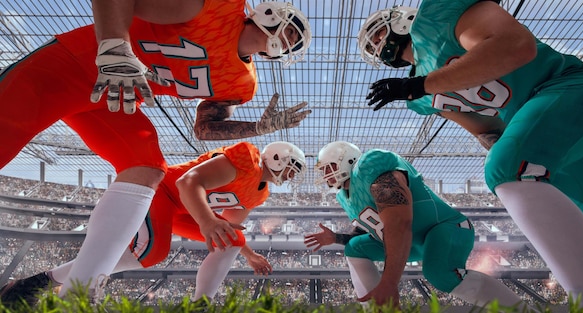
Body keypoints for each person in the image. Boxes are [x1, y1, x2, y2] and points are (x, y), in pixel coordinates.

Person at [0, 0, 312, 297]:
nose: (288, 42)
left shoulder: (241, 83)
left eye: (294, 43)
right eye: (291, 32)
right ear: (272, 13)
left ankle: (78, 293)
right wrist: (115, 48)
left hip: (116, 98)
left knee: (146, 167)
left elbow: (203, 128)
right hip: (75, 64)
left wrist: (257, 128)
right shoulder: (220, 9)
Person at [357, 2, 583, 306]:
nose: (378, 44)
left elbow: (516, 46)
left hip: (569, 88)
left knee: (507, 167)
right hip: (552, 130)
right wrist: (421, 89)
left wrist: (421, 84)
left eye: (378, 33)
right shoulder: (417, 97)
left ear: (403, 20)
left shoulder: (436, 20)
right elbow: (483, 126)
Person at [0, 141, 307, 306]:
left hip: (184, 211)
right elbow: (189, 182)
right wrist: (205, 222)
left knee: (234, 239)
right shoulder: (247, 161)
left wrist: (250, 254)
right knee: (151, 253)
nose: (291, 176)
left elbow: (230, 227)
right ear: (277, 158)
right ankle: (41, 282)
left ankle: (201, 304)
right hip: (162, 192)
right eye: (292, 167)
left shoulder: (259, 193)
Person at [305, 141, 523, 309]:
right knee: (355, 248)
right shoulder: (344, 197)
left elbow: (399, 222)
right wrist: (336, 239)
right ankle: (377, 309)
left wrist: (389, 283)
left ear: (348, 160)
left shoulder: (369, 165)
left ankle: (521, 310)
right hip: (409, 244)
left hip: (444, 228)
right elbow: (371, 231)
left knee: (439, 273)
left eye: (328, 167)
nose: (325, 174)